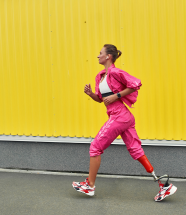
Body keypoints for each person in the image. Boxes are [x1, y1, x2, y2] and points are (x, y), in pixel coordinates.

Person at [72, 44, 177, 201]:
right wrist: (91, 94)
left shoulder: (115, 72)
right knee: (135, 150)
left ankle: (89, 185)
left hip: (119, 116)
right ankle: (164, 186)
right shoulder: (100, 76)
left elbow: (136, 84)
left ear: (108, 56)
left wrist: (117, 96)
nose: (98, 56)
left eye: (100, 53)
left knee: (95, 147)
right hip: (122, 117)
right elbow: (101, 100)